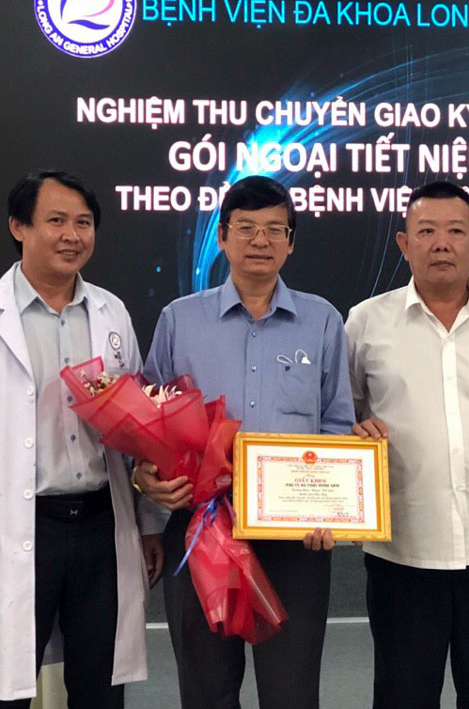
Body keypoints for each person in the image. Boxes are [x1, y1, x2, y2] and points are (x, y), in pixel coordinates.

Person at [0, 170, 161, 707]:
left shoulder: (112, 313)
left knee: (100, 689)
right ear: (19, 227)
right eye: (56, 221)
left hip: (100, 524)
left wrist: (148, 525)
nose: (72, 235)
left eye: (84, 223)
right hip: (22, 526)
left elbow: (139, 430)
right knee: (5, 694)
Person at [135, 175, 354, 709]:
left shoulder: (322, 321)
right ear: (222, 236)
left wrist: (330, 509)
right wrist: (147, 486)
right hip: (200, 531)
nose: (260, 240)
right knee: (206, 691)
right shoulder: (179, 319)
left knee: (292, 693)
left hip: (294, 538)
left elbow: (336, 425)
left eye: (275, 229)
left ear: (291, 242)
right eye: (246, 227)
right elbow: (148, 423)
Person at [346, 179, 469, 708]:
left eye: (455, 232)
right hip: (403, 552)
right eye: (426, 231)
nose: (441, 244)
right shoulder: (365, 323)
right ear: (403, 243)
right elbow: (345, 422)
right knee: (403, 696)